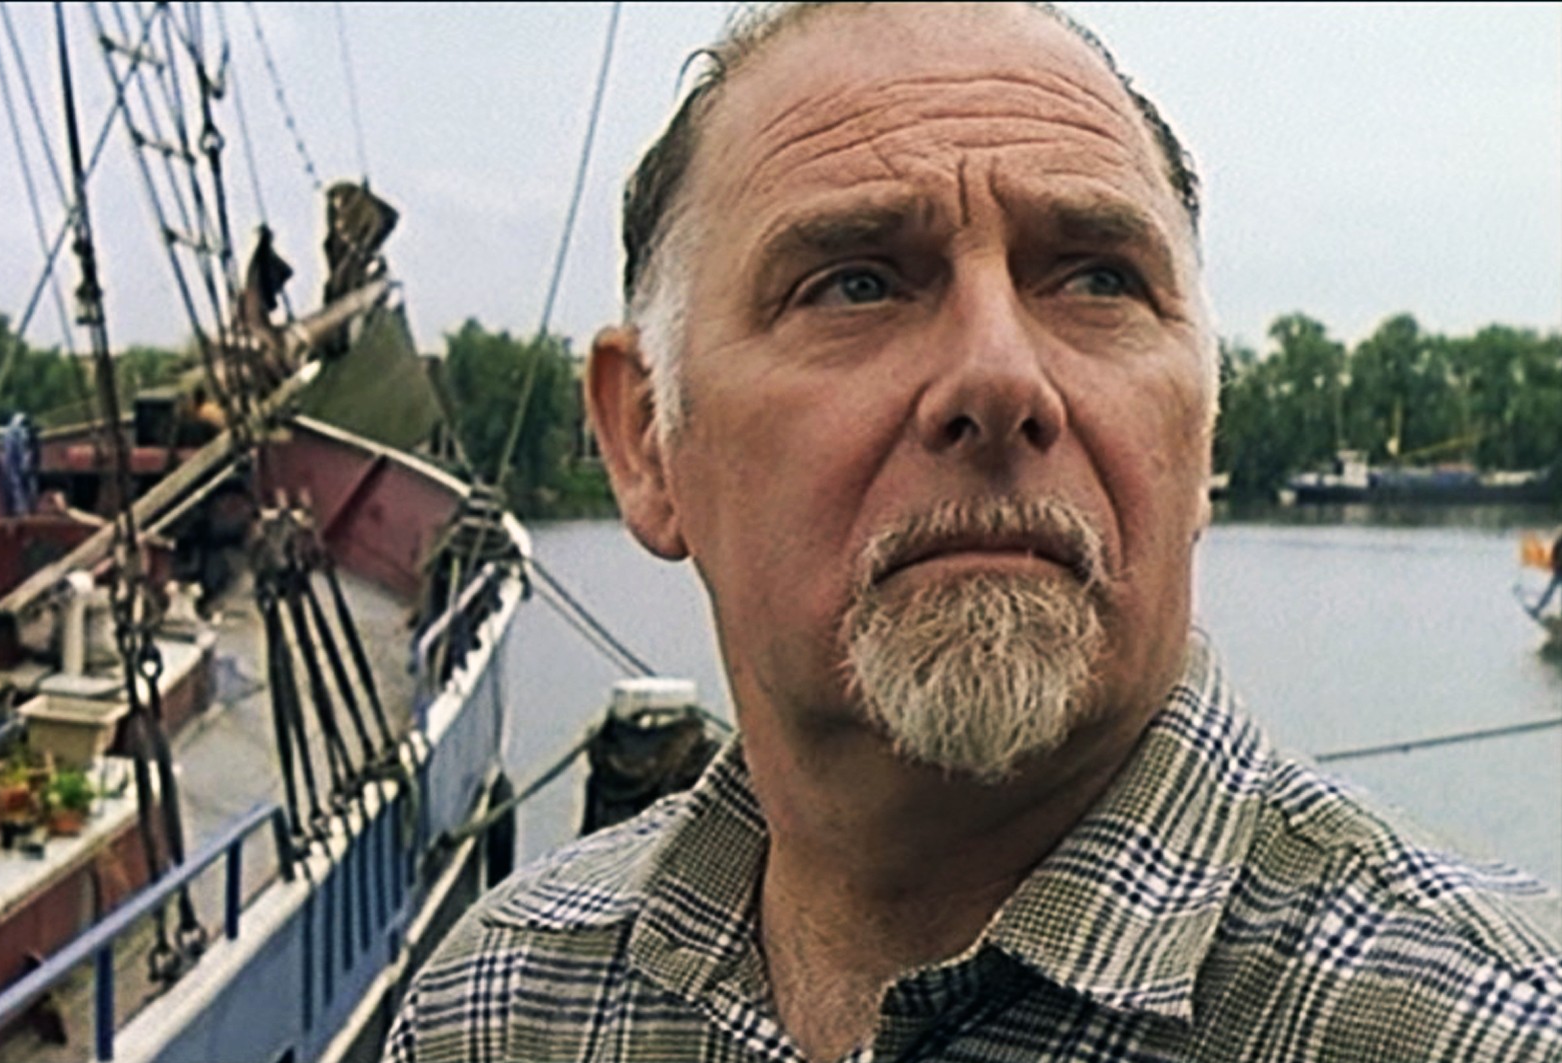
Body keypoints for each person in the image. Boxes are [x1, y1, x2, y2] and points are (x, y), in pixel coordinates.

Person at [384, 4, 1562, 1060]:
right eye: (856, 283)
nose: (1000, 378)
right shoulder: (500, 1007)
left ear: (1202, 430)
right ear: (646, 438)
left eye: (1098, 280)